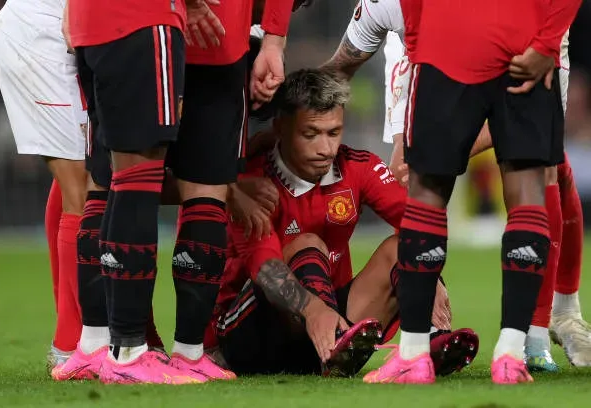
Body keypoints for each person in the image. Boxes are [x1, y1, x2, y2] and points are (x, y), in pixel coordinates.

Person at [323, 0, 591, 373]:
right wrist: (546, 45)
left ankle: (415, 355)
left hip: (447, 45)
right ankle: (515, 352)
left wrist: (418, 43)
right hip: (527, 41)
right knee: (534, 187)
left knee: (427, 194)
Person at [211, 68, 479, 377]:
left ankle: (424, 340)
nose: (325, 149)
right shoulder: (252, 184)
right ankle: (334, 340)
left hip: (331, 328)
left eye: (333, 133)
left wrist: (429, 279)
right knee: (309, 244)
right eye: (310, 134)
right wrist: (314, 311)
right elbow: (265, 268)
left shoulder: (358, 167)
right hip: (251, 334)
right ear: (280, 128)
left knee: (404, 247)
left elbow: (419, 222)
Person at [65, 0, 210, 384]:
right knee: (139, 175)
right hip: (141, 18)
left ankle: (101, 345)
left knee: (114, 178)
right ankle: (127, 353)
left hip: (90, 23)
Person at [163, 0, 298, 381]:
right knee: (126, 184)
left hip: (169, 32)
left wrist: (272, 42)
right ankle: (146, 347)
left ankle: (129, 347)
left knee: (122, 183)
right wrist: (274, 41)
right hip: (178, 30)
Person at [0, 0, 88, 368]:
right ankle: (70, 346)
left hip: (58, 28)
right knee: (81, 183)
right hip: (45, 33)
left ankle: (78, 338)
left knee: (77, 181)